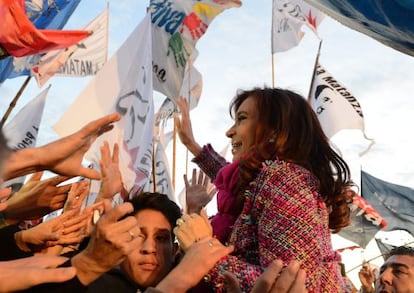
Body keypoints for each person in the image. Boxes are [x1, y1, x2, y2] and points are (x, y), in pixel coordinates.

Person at [174, 87, 354, 292]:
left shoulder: (284, 180)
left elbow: (291, 283)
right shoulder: (263, 180)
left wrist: (202, 250)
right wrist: (192, 145)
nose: (229, 132)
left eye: (241, 119)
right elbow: (230, 177)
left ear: (274, 130)